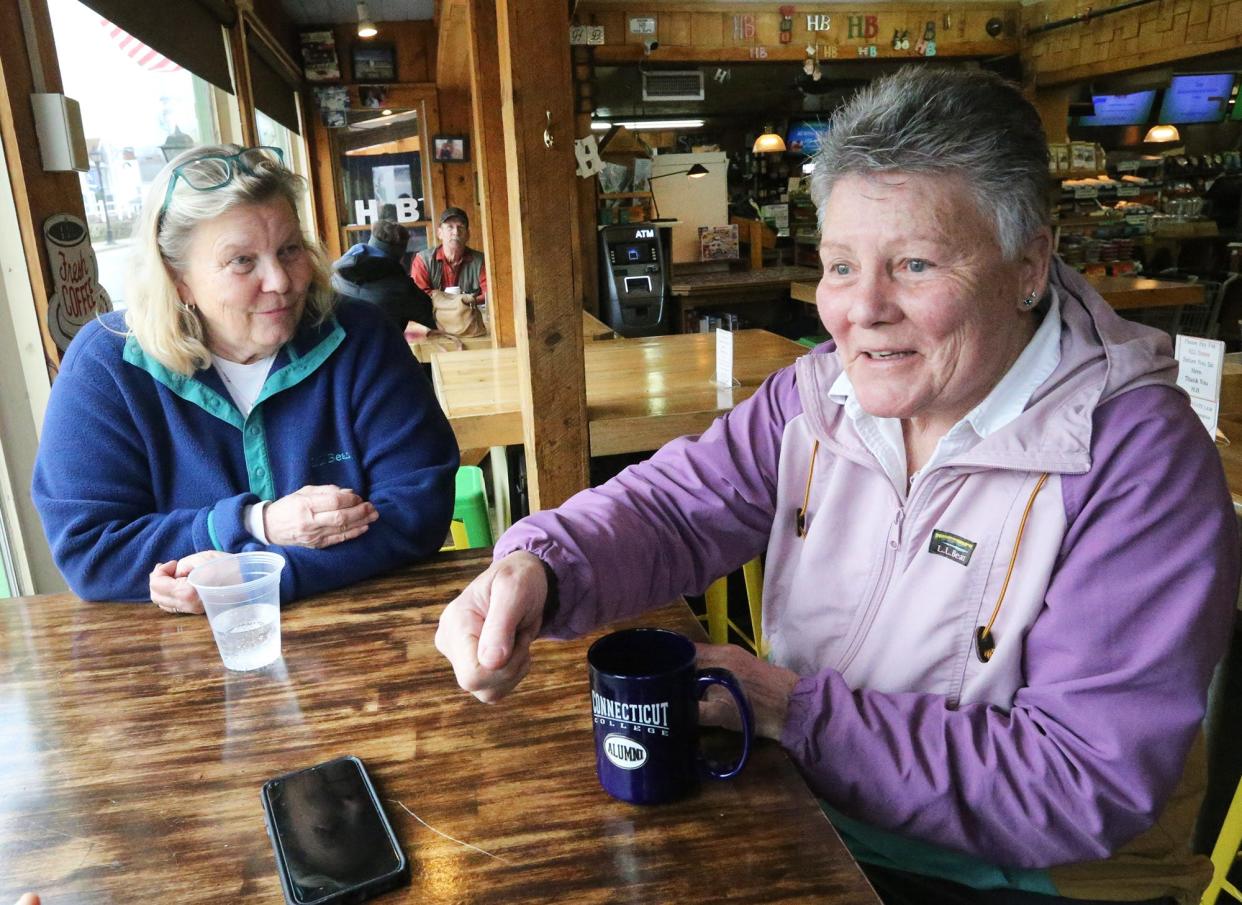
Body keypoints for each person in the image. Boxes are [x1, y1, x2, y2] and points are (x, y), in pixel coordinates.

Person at [435, 68, 1239, 905]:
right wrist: (541, 565)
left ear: (1028, 264)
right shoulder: (822, 393)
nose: (863, 310)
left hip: (1030, 882)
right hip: (813, 808)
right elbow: (673, 507)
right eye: (841, 266)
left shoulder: (1135, 456)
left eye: (915, 263)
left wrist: (790, 712)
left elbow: (1076, 779)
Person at [32, 144, 459, 611]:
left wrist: (255, 576)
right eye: (242, 261)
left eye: (289, 249)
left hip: (369, 638)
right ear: (178, 278)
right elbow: (91, 551)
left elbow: (419, 509)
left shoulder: (361, 335)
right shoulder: (107, 367)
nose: (280, 280)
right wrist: (256, 524)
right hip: (181, 661)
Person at [331, 219, 433, 333]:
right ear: (401, 254)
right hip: (382, 348)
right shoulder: (402, 288)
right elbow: (434, 317)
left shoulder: (335, 275)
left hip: (342, 349)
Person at [411, 207, 487, 336]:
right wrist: (461, 301)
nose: (455, 232)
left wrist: (449, 301)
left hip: (470, 324)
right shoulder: (423, 260)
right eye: (450, 227)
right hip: (433, 326)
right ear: (440, 233)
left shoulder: (481, 260)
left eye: (460, 227)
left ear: (467, 234)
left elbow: (489, 295)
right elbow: (419, 297)